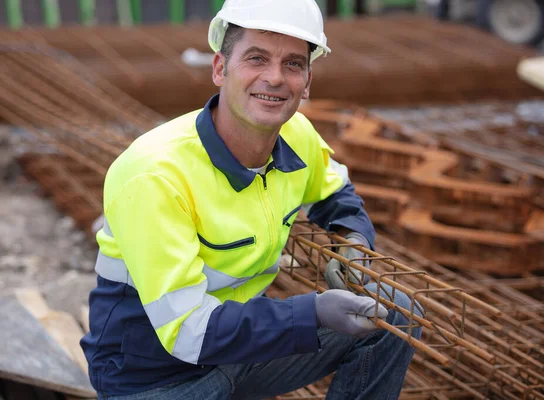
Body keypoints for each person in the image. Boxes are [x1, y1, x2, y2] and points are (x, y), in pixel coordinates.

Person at [80, 1, 421, 399]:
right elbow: (189, 334)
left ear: (308, 81)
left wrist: (353, 243)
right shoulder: (155, 175)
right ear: (220, 68)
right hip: (154, 374)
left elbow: (335, 193)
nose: (275, 78)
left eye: (293, 64)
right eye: (256, 58)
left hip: (239, 351)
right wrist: (312, 313)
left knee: (394, 314)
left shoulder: (296, 134)